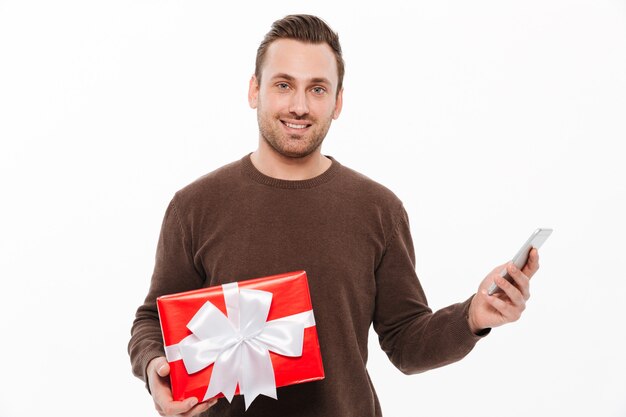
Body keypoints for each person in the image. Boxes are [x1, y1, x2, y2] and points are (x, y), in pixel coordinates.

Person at [128, 14, 540, 417]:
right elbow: (152, 321)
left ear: (338, 101)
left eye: (318, 89)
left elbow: (405, 342)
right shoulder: (195, 206)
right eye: (283, 85)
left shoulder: (379, 209)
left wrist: (472, 317)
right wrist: (154, 369)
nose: (299, 106)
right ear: (255, 90)